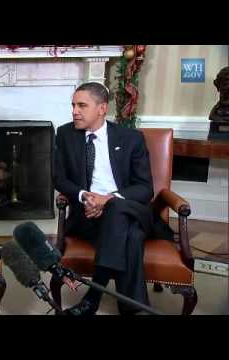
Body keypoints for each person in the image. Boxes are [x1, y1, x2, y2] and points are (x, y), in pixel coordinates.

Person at [54, 82, 173, 316]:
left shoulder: (130, 138)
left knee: (117, 209)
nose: (74, 111)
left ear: (101, 109)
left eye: (82, 105)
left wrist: (107, 200)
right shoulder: (66, 134)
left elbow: (144, 188)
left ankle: (93, 297)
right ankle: (133, 308)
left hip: (130, 210)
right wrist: (84, 196)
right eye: (73, 105)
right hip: (89, 215)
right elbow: (58, 177)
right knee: (132, 236)